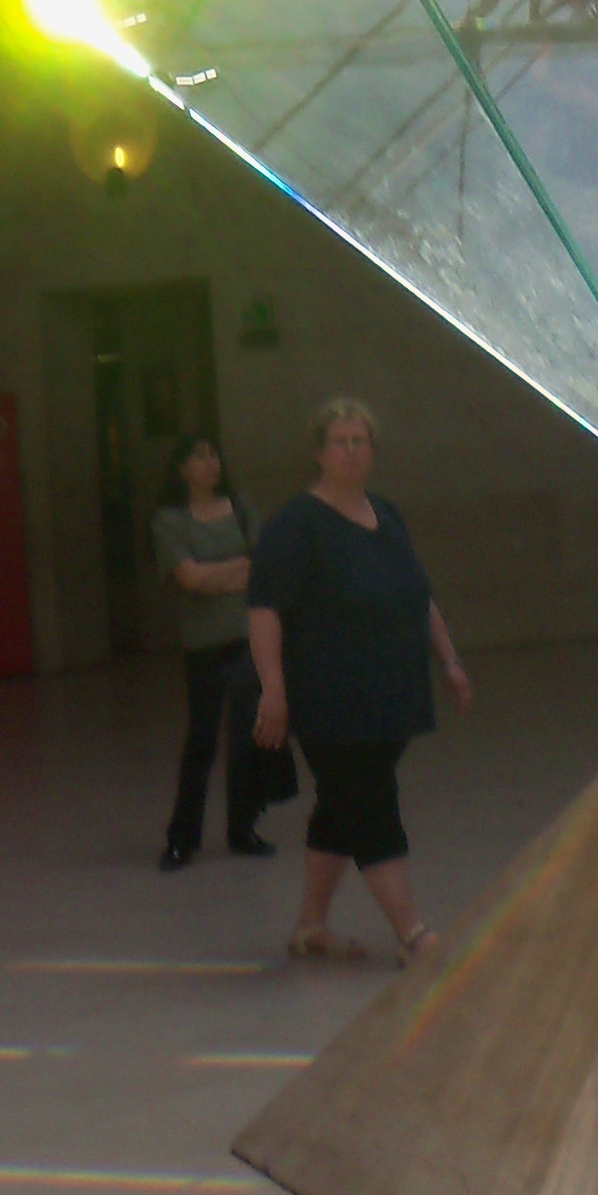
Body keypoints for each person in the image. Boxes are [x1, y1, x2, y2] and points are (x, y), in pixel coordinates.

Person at [247, 401, 471, 964]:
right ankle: (412, 935)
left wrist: (448, 659)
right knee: (371, 804)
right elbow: (265, 610)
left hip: (391, 694)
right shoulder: (296, 525)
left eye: (360, 441)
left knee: (341, 804)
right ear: (319, 452)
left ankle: (310, 926)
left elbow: (417, 595)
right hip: (330, 699)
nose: (351, 451)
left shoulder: (386, 514)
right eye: (340, 441)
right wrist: (273, 687)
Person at [151, 431, 274, 870]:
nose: (211, 463)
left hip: (246, 639)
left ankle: (243, 828)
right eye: (200, 456)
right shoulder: (168, 520)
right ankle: (182, 836)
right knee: (201, 739)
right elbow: (189, 579)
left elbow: (262, 566)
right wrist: (234, 571)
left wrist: (214, 576)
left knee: (245, 738)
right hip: (203, 644)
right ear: (182, 468)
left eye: (214, 455)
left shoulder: (241, 508)